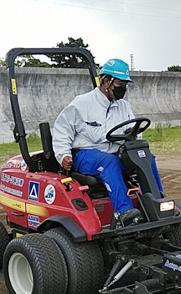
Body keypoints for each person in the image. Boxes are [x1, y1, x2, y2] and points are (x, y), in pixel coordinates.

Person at [52, 58, 164, 227]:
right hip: (86, 153)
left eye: (125, 84)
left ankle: (159, 203)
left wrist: (135, 148)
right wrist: (63, 155)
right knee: (109, 162)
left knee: (146, 157)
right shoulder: (82, 104)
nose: (123, 88)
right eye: (120, 84)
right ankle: (125, 212)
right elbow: (62, 129)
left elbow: (133, 131)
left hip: (115, 152)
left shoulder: (124, 106)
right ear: (106, 81)